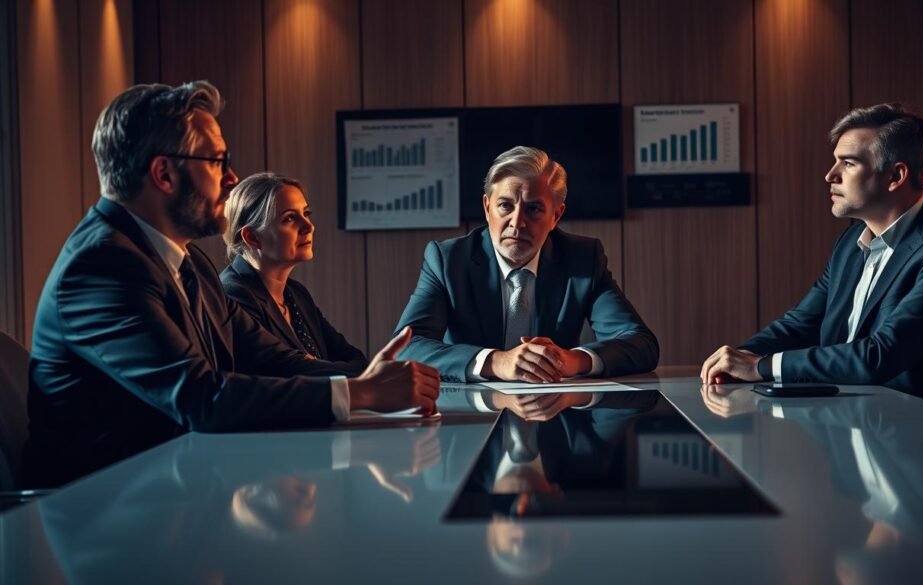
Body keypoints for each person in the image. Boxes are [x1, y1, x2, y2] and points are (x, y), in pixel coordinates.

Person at [26, 81, 439, 487]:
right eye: (217, 161)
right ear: (164, 173)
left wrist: (371, 377)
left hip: (178, 488)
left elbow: (275, 358)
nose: (232, 178)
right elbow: (202, 398)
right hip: (103, 514)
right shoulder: (102, 266)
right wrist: (361, 393)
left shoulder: (190, 262)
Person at [700, 103, 923, 409]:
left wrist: (760, 367)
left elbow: (882, 354)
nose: (830, 175)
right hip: (850, 419)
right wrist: (736, 361)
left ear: (895, 176)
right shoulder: (850, 242)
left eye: (848, 163)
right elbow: (800, 324)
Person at [393, 146, 659, 390]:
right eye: (505, 206)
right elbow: (405, 349)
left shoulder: (582, 259)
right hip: (469, 416)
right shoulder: (448, 260)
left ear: (556, 216)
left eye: (533, 209)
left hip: (554, 416)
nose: (517, 222)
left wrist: (573, 360)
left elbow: (641, 344)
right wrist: (498, 362)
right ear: (487, 208)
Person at [220, 172, 368, 372]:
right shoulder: (233, 295)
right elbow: (286, 372)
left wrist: (313, 364)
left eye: (306, 213)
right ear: (252, 237)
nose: (309, 226)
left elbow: (356, 359)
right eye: (289, 218)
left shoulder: (297, 294)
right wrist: (312, 365)